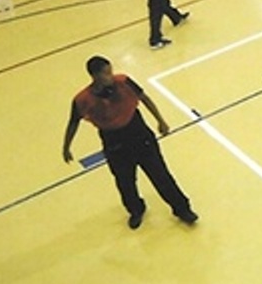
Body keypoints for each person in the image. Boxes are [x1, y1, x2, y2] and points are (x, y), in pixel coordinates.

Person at [62, 56, 198, 229]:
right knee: (125, 180)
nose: (111, 76)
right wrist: (66, 147)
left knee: (160, 174)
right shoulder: (82, 100)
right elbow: (73, 122)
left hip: (138, 132)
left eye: (110, 71)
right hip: (113, 140)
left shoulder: (124, 82)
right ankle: (136, 209)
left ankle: (182, 208)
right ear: (95, 76)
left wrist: (160, 120)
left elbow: (144, 98)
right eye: (106, 73)